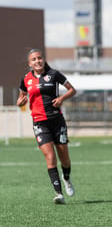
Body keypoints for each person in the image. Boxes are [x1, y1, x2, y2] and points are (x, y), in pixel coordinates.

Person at [16, 48, 77, 204]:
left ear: (43, 59)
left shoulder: (54, 74)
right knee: (50, 157)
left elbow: (72, 90)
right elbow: (21, 97)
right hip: (39, 122)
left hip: (57, 121)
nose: (37, 61)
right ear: (30, 63)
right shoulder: (26, 79)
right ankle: (58, 193)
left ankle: (67, 179)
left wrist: (62, 98)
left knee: (65, 159)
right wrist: (20, 102)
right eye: (34, 59)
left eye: (39, 58)